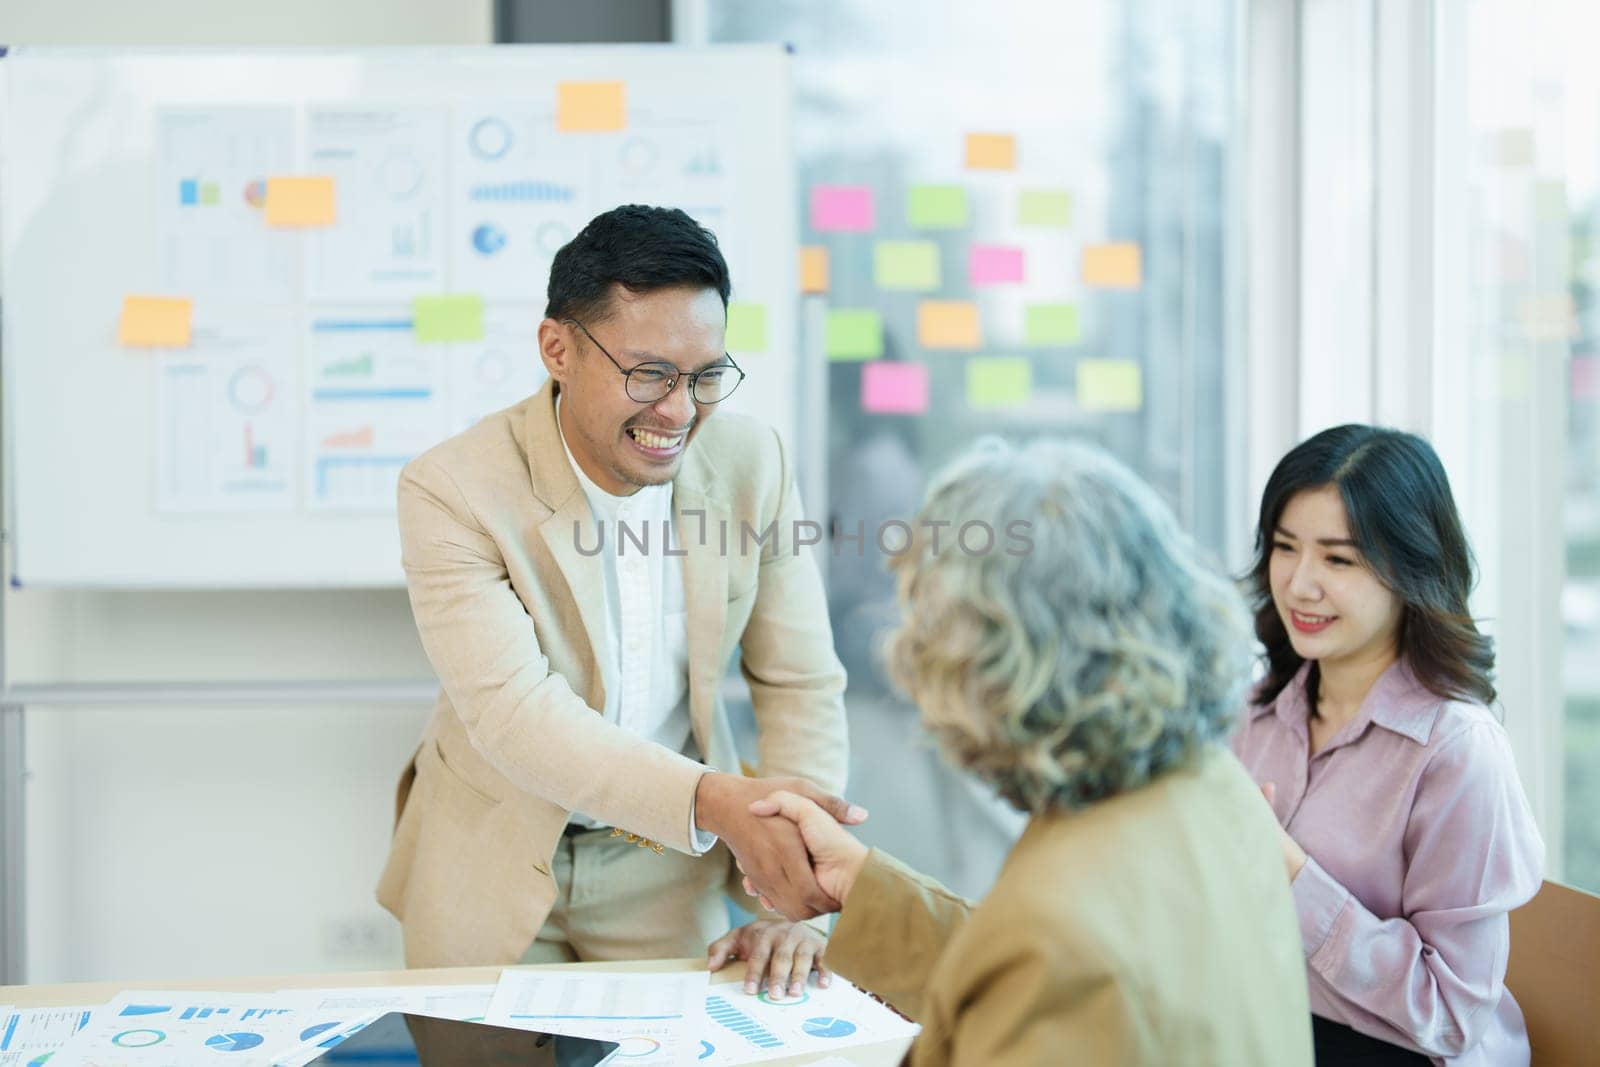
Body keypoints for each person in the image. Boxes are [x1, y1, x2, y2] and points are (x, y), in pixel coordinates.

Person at [711, 438, 1315, 1065]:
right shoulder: (1215, 792)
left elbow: (1040, 970)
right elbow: (1011, 972)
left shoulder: (1056, 943)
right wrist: (861, 885)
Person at [377, 205, 857, 968]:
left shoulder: (752, 463)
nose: (678, 410)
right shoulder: (452, 487)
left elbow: (797, 678)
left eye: (705, 378)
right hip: (492, 853)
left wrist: (806, 888)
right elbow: (516, 714)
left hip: (668, 860)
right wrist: (715, 800)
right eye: (649, 374)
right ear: (557, 348)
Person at [1231, 424, 1544, 1066]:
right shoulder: (1259, 711)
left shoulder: (1458, 750)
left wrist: (1289, 871)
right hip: (1271, 1025)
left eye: (1338, 559)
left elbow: (1451, 1017)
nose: (1299, 583)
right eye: (1286, 548)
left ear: (1410, 569)